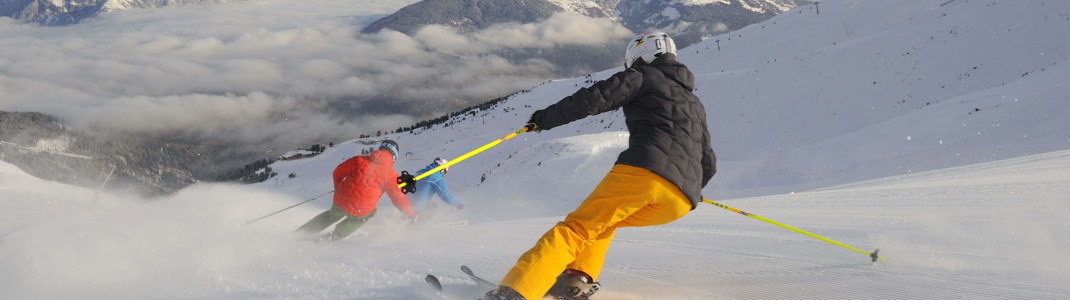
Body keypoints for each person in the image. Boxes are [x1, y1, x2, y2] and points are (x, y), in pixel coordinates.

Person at [483, 31, 717, 300]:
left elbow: (593, 99)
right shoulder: (694, 103)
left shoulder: (643, 76)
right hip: (679, 202)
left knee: (575, 229)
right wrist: (692, 186)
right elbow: (708, 161)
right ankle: (574, 279)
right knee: (603, 224)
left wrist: (543, 119)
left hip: (644, 174)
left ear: (640, 55)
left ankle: (515, 292)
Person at [296, 140, 417, 241]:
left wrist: (338, 186)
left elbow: (338, 172)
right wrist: (410, 215)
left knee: (330, 215)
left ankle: (301, 233)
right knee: (369, 213)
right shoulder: (391, 175)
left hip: (340, 200)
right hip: (361, 209)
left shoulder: (358, 160)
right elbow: (398, 199)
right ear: (394, 157)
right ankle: (336, 235)